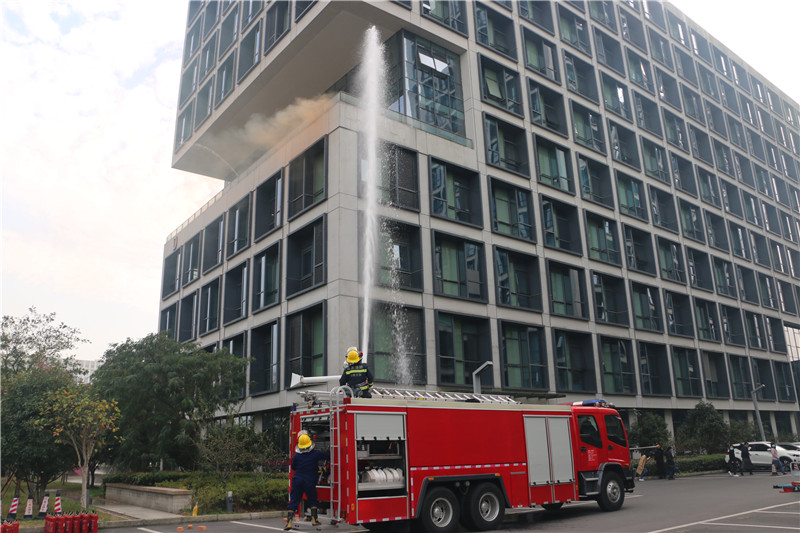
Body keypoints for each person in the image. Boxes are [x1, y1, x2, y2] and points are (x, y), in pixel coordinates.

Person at [285, 431, 330, 530]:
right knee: (312, 499)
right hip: (309, 481)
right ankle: (314, 519)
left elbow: (293, 467)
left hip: (297, 480)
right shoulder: (315, 454)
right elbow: (328, 456)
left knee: (294, 500)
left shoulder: (296, 456)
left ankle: (289, 522)